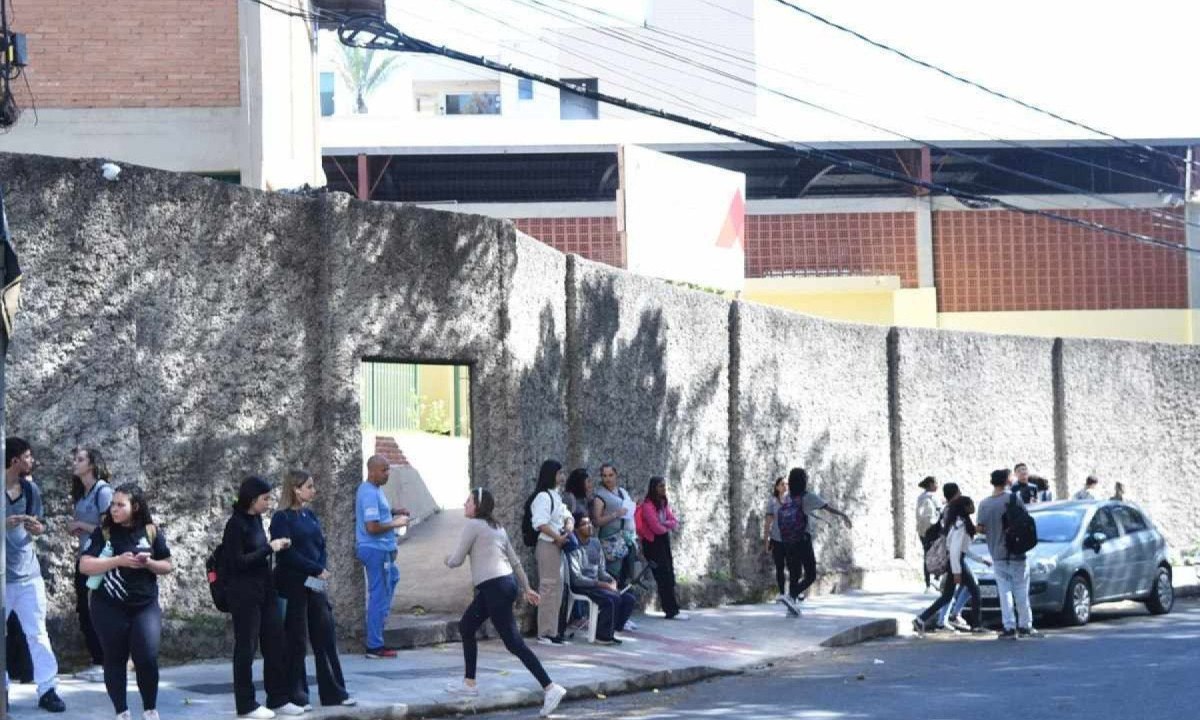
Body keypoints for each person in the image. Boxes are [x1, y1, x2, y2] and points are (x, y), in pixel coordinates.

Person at [444, 488, 567, 717]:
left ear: (478, 506)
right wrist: (527, 587)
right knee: (467, 626)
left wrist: (447, 560)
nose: (464, 503)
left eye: (468, 500)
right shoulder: (497, 527)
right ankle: (469, 684)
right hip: (503, 585)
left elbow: (457, 559)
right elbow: (515, 561)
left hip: (495, 588)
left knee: (513, 643)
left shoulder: (473, 526)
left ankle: (550, 687)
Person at [78, 482, 171, 720]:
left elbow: (167, 565)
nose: (114, 510)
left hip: (145, 605)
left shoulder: (151, 530)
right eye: (112, 505)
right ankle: (122, 711)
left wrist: (148, 563)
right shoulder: (104, 532)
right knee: (115, 657)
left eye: (121, 505)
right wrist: (117, 561)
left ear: (136, 507)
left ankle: (150, 709)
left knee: (147, 656)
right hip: (108, 606)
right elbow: (85, 565)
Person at [269, 470, 355, 710]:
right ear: (296, 489)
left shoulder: (310, 515)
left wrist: (321, 567)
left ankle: (335, 692)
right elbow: (285, 554)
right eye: (309, 486)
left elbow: (320, 544)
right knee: (296, 639)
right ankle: (297, 694)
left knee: (325, 634)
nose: (313, 490)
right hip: (293, 582)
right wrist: (314, 568)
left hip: (314, 580)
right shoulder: (281, 518)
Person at [223, 475, 303, 719]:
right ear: (252, 499)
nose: (269, 503)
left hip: (265, 591)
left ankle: (278, 698)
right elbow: (237, 561)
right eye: (265, 498)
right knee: (246, 648)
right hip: (244, 595)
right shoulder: (235, 524)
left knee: (275, 643)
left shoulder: (257, 520)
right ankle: (246, 704)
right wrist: (271, 547)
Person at [4, 437, 65, 713]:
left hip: (29, 575)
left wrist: (36, 527)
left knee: (38, 634)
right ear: (15, 460)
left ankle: (48, 690)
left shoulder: (31, 490)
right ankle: (2, 692)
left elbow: (41, 524)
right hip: (2, 578)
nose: (33, 461)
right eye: (28, 456)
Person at [355, 455, 409, 659]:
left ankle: (378, 625)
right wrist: (397, 523)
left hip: (382, 549)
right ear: (372, 471)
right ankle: (374, 646)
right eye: (384, 470)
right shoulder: (369, 493)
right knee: (378, 595)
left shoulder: (373, 490)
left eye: (388, 470)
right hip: (375, 549)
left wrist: (394, 511)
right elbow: (372, 527)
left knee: (392, 579)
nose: (387, 474)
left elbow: (377, 514)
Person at [68, 446, 114, 682]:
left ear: (92, 464)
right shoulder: (83, 493)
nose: (75, 463)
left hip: (98, 560)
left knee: (96, 610)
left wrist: (83, 526)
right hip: (84, 558)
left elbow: (111, 528)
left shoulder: (102, 491)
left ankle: (106, 662)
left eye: (80, 459)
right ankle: (99, 659)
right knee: (85, 610)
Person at [976, 468, 1040, 640]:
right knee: (1021, 589)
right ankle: (1025, 626)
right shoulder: (1014, 498)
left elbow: (980, 529)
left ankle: (1009, 626)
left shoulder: (984, 504)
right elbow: (1024, 520)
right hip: (1016, 552)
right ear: (1006, 481)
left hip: (997, 553)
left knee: (1004, 592)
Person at [779, 467, 853, 615]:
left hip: (787, 540)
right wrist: (844, 515)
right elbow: (828, 508)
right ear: (804, 481)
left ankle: (791, 604)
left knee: (795, 573)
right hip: (802, 540)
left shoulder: (788, 497)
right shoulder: (808, 497)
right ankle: (792, 596)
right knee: (811, 575)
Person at [913, 495, 990, 634]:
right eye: (970, 504)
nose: (973, 507)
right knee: (975, 590)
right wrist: (957, 572)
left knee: (947, 596)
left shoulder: (960, 523)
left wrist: (981, 560)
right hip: (956, 562)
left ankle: (921, 619)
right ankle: (977, 625)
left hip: (956, 561)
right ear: (964, 508)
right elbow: (955, 551)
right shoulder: (960, 525)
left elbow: (963, 549)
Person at [565, 511, 635, 644]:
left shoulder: (596, 543)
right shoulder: (573, 546)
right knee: (612, 599)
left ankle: (610, 630)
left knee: (628, 598)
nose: (590, 526)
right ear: (576, 529)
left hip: (598, 584)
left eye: (590, 523)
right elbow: (576, 579)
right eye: (584, 524)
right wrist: (601, 585)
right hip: (583, 586)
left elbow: (601, 571)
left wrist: (610, 580)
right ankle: (601, 636)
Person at [529, 459, 572, 644]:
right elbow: (540, 523)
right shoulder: (543, 497)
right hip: (548, 545)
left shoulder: (556, 496)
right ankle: (544, 632)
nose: (562, 477)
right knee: (548, 588)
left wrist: (569, 525)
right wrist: (557, 537)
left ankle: (554, 631)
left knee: (558, 588)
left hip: (557, 545)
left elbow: (565, 514)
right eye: (559, 473)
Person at [637, 476, 685, 620]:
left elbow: (673, 520)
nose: (663, 489)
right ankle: (669, 609)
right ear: (653, 488)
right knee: (662, 576)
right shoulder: (647, 506)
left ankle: (673, 608)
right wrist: (666, 525)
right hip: (652, 544)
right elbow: (656, 528)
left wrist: (664, 524)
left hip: (663, 541)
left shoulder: (663, 503)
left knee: (669, 574)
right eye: (660, 486)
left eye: (664, 486)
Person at [591, 463, 637, 586]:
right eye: (604, 476)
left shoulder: (622, 492)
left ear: (616, 475)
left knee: (627, 575)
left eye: (611, 475)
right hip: (611, 540)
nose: (608, 479)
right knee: (613, 574)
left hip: (627, 539)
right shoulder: (600, 496)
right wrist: (615, 514)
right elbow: (596, 521)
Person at [763, 477, 790, 600]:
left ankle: (794, 591)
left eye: (786, 484)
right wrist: (766, 541)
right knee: (779, 567)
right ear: (777, 487)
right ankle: (782, 593)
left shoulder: (792, 500)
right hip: (776, 539)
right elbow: (768, 523)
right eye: (782, 484)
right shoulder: (772, 502)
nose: (785, 486)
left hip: (790, 539)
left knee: (792, 566)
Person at [914, 476, 940, 590]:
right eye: (935, 483)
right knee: (940, 553)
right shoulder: (933, 497)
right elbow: (940, 511)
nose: (937, 485)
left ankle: (928, 583)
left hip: (922, 530)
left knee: (927, 554)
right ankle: (937, 579)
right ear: (930, 484)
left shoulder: (920, 497)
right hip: (933, 529)